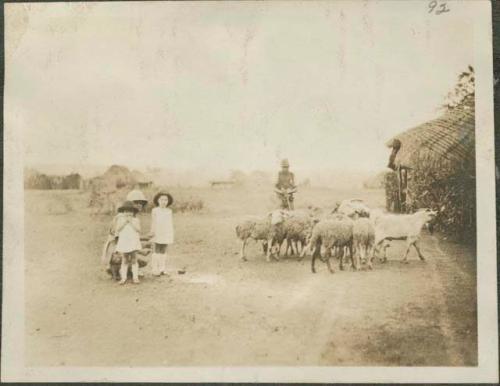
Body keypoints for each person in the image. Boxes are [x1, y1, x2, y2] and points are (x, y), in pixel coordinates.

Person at [115, 201, 143, 284]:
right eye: (126, 212)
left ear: (133, 212)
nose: (128, 214)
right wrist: (125, 222)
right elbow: (118, 229)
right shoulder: (120, 220)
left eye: (130, 211)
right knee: (125, 259)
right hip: (124, 242)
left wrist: (131, 222)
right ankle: (123, 278)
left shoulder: (136, 220)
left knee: (134, 259)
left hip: (133, 242)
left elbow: (138, 230)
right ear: (123, 212)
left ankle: (135, 277)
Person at [149, 192, 174, 276]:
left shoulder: (169, 211)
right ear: (158, 200)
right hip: (157, 231)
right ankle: (154, 269)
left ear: (168, 201)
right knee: (156, 250)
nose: (164, 201)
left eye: (166, 200)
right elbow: (153, 222)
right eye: (162, 199)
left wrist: (170, 233)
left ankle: (162, 269)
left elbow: (169, 223)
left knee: (163, 250)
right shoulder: (155, 210)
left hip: (166, 231)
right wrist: (152, 231)